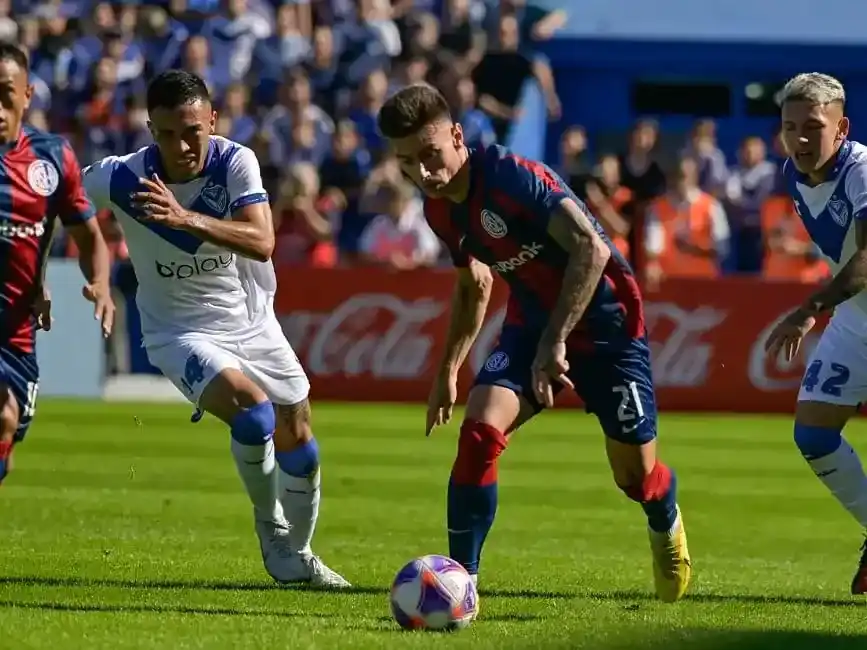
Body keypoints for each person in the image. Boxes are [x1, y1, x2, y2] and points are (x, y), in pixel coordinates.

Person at [376, 84, 690, 602]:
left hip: (608, 326)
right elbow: (475, 283)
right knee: (479, 432)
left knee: (635, 478)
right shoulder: (439, 210)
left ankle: (664, 516)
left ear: (457, 136)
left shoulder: (510, 178)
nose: (423, 172)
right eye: (408, 161)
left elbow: (590, 248)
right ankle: (462, 584)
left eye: (430, 154)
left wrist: (557, 341)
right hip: (531, 326)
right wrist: (448, 369)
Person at [81, 69, 349, 588]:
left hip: (252, 321)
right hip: (177, 331)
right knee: (253, 414)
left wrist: (185, 219)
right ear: (149, 129)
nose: (181, 145)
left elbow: (263, 241)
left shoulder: (234, 161)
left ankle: (299, 554)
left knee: (302, 439)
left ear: (212, 120)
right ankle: (272, 532)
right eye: (166, 133)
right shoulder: (119, 177)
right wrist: (89, 271)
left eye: (191, 131)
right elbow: (65, 206)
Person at [766, 72, 867, 594]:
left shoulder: (862, 170)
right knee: (813, 433)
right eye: (790, 127)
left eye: (813, 127)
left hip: (850, 298)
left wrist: (809, 308)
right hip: (857, 313)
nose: (801, 139)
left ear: (842, 127)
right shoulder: (793, 172)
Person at [0, 43, 115, 485]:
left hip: (15, 331)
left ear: (27, 94)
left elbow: (89, 238)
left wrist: (101, 284)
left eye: (5, 93)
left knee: (6, 431)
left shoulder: (51, 159)